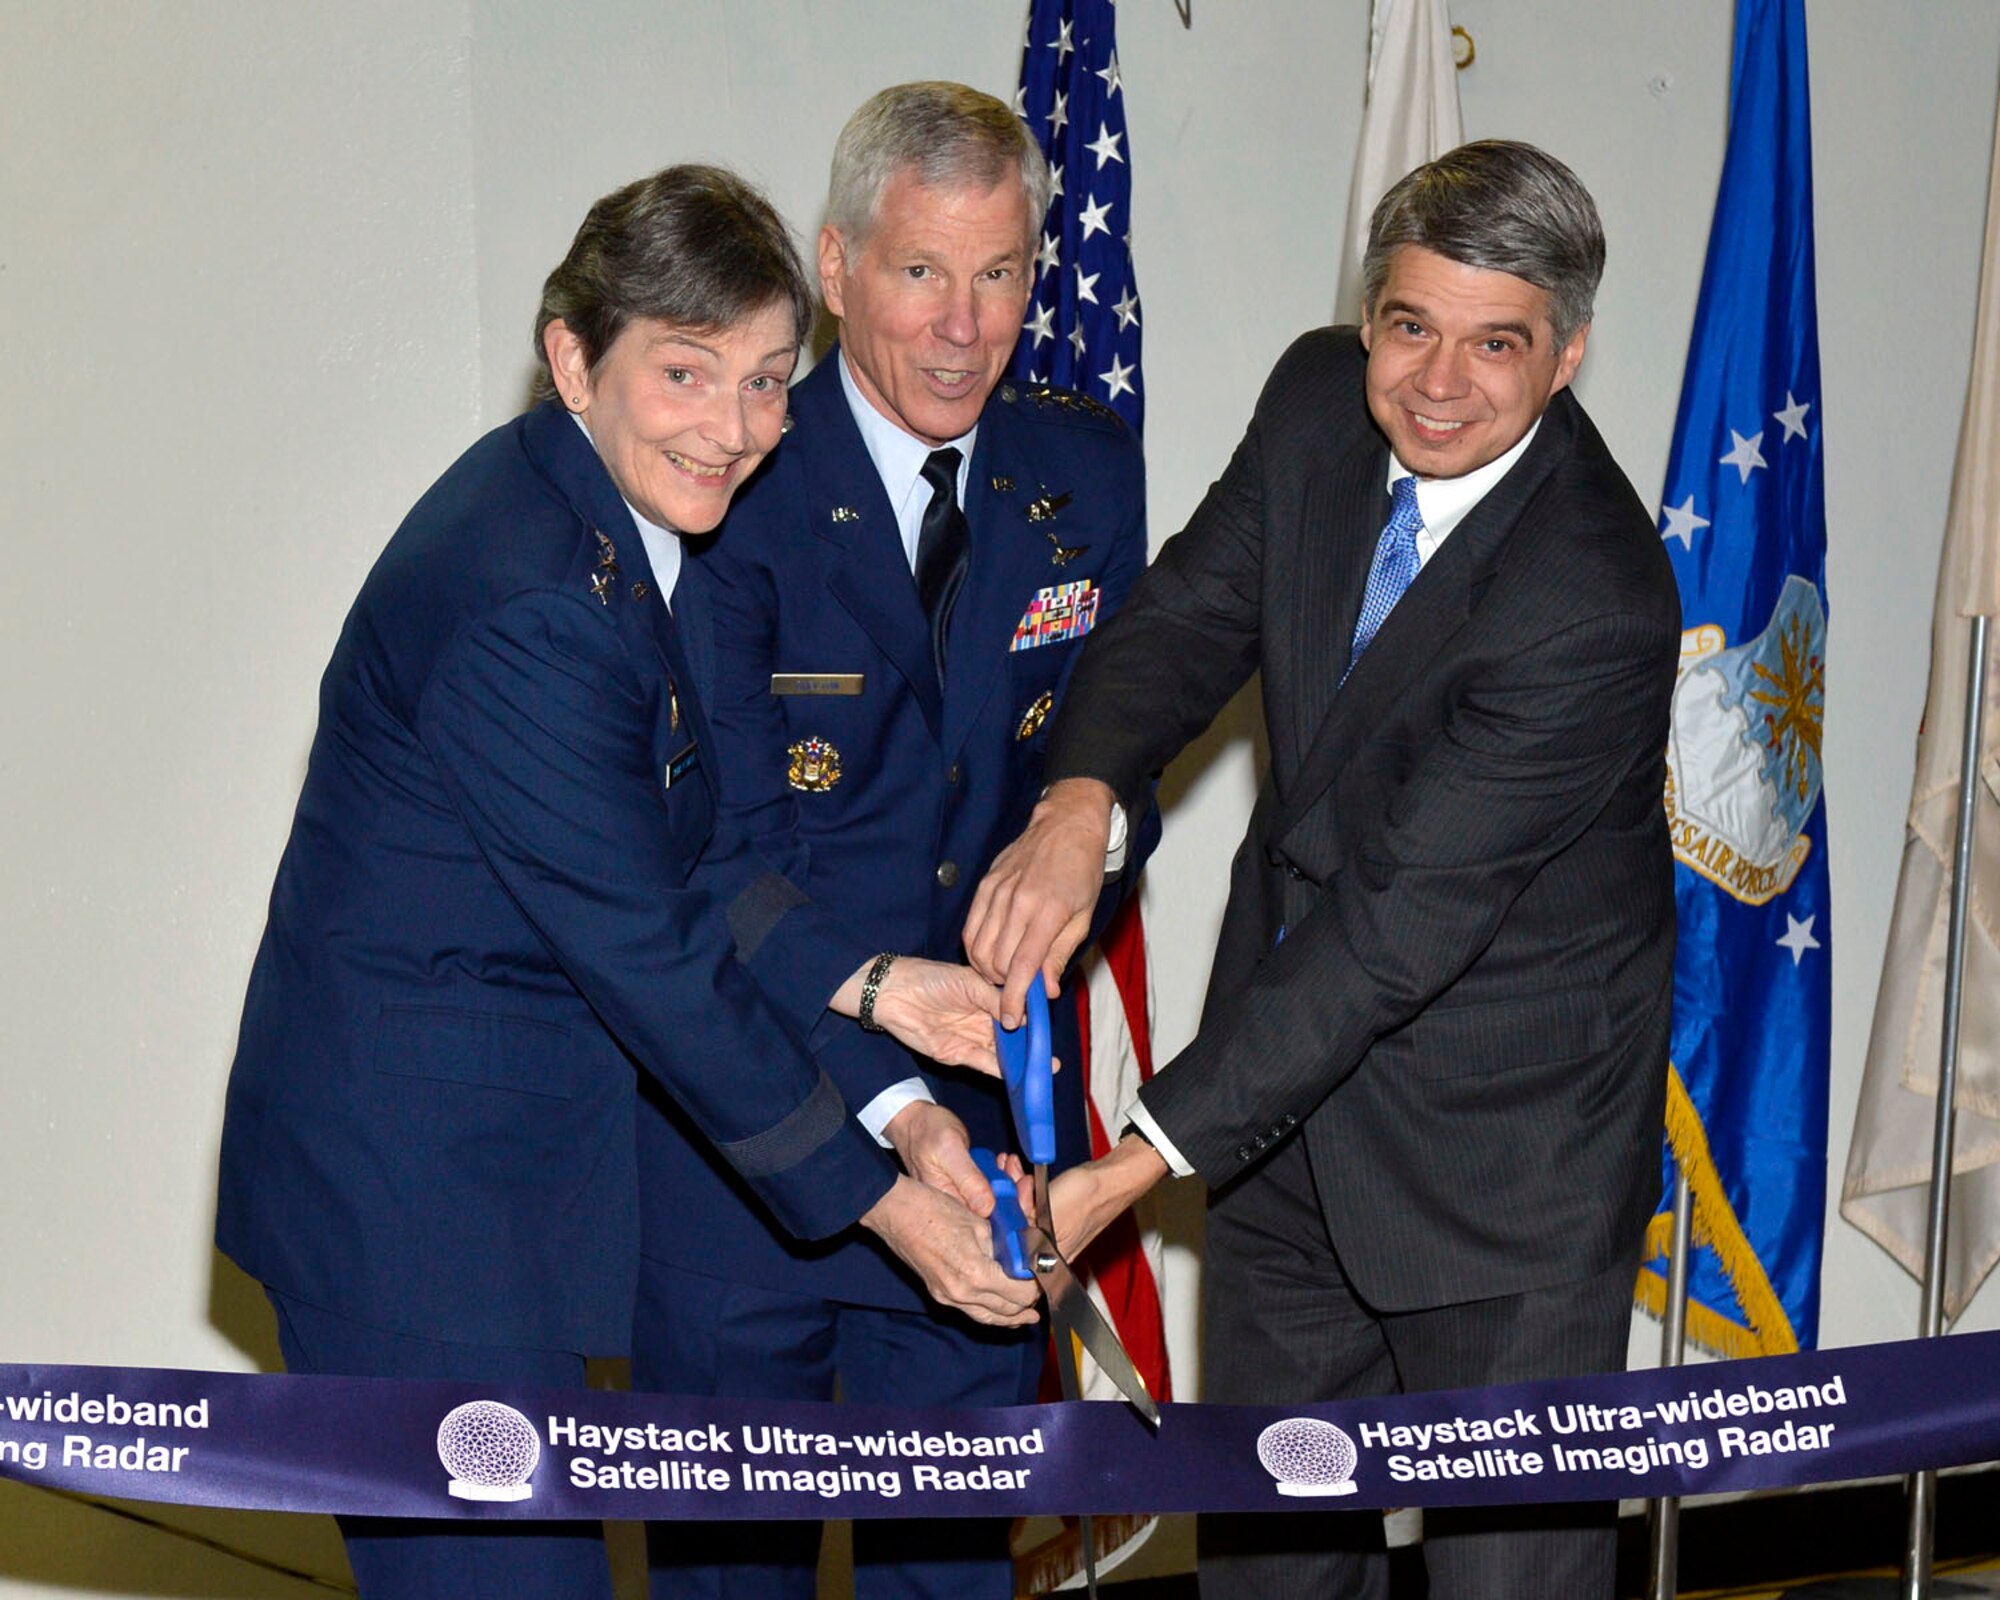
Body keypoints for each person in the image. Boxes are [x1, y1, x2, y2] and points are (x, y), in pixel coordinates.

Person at [214, 164, 1038, 1600]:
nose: (735, 430)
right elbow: (648, 953)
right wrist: (891, 1206)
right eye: (686, 373)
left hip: (492, 1193)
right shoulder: (531, 592)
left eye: (772, 381)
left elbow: (708, 855)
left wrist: (885, 1013)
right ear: (571, 357)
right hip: (416, 1213)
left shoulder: (640, 535)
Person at [965, 140, 1681, 1599]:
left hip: (1504, 1175)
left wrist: (1126, 1171)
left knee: (1508, 1588)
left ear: (1568, 356)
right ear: (1369, 314)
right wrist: (1082, 798)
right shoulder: (1314, 405)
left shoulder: (1591, 597)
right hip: (1287, 1144)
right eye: (1410, 325)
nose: (1437, 381)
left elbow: (1393, 931)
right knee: (1275, 1571)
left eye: (1497, 344)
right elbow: (1177, 621)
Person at [633, 83, 1150, 1600]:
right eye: (921, 272)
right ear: (837, 265)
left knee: (953, 1577)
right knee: (731, 1579)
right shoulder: (731, 480)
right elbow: (713, 863)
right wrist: (896, 1113)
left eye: (1000, 276)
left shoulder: (1085, 473)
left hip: (986, 1140)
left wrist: (1094, 824)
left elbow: (1117, 754)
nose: (961, 327)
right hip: (748, 1137)